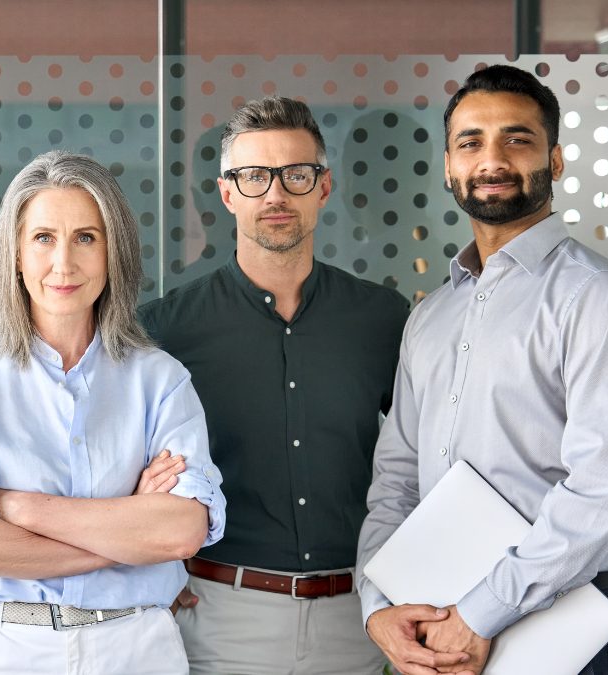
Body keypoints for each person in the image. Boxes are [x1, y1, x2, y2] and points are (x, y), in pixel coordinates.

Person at [357, 64, 608, 675]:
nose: (491, 159)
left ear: (554, 161)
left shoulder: (601, 298)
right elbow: (396, 481)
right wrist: (378, 604)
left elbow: (604, 494)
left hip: (562, 626)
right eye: (471, 142)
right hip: (438, 624)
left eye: (517, 139)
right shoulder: (431, 317)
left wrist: (481, 614)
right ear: (449, 165)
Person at [0, 150, 226, 674]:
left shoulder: (161, 381)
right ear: (15, 253)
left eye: (86, 237)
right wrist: (125, 533)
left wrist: (18, 508)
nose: (64, 262)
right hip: (5, 648)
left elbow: (179, 533)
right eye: (43, 238)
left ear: (112, 252)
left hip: (136, 647)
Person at [139, 97, 407, 674]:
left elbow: (425, 459)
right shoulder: (166, 329)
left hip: (356, 617)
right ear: (228, 193)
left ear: (324, 187)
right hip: (218, 614)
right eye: (255, 177)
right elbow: (119, 474)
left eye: (296, 175)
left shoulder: (383, 319)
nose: (276, 195)